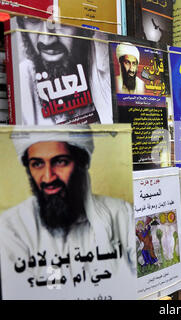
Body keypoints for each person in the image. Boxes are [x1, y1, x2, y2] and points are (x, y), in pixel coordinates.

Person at [0, 127, 136, 298]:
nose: (48, 177)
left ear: (81, 164)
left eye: (60, 161)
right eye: (37, 164)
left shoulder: (122, 214)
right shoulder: (12, 229)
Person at [16, 16, 112, 125]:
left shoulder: (110, 66)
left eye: (60, 20)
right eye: (33, 20)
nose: (46, 41)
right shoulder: (21, 82)